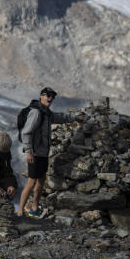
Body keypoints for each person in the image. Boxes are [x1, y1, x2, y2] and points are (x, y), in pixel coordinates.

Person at [17, 87, 84, 218]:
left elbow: (60, 117)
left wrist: (75, 117)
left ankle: (34, 209)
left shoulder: (47, 113)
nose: (50, 98)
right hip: (35, 153)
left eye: (52, 96)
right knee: (31, 182)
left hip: (43, 153)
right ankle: (19, 213)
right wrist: (29, 152)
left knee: (41, 181)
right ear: (41, 96)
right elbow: (26, 133)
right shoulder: (36, 113)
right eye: (47, 95)